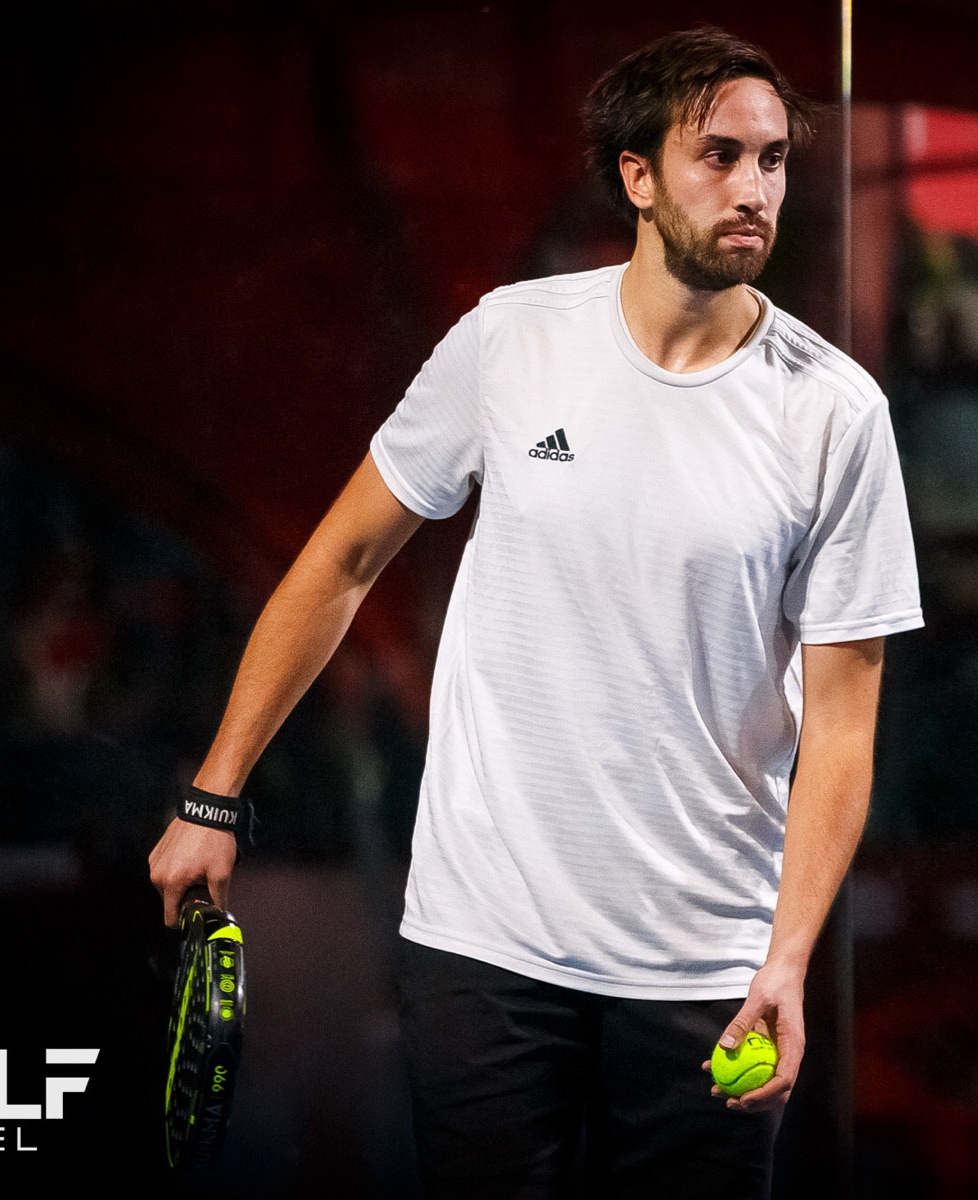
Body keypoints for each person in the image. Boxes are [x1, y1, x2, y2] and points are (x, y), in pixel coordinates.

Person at [148, 26, 922, 1198]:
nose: (754, 189)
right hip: (484, 952)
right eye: (719, 155)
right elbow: (341, 561)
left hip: (707, 975)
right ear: (638, 177)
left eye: (772, 160)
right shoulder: (509, 341)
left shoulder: (836, 413)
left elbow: (845, 726)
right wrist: (215, 795)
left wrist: (788, 959)